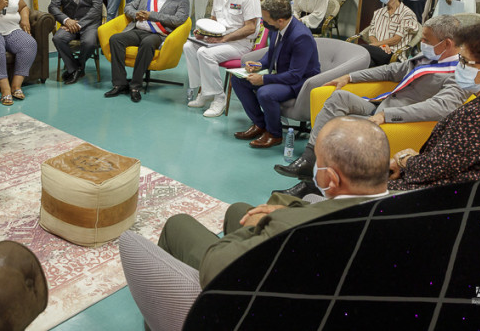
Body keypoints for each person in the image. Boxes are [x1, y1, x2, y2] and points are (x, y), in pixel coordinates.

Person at [157, 117, 389, 287]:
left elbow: (215, 267)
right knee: (238, 210)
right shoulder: (409, 208)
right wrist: (293, 209)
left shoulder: (288, 225)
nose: (312, 166)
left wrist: (256, 228)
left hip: (260, 294)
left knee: (177, 224)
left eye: (316, 159)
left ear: (331, 178)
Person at [275, 15, 467, 198]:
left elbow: (440, 107)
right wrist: (350, 76)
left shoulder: (459, 74)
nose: (422, 43)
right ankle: (311, 158)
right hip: (380, 105)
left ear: (447, 43)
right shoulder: (427, 57)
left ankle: (314, 188)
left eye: (426, 39)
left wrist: (388, 115)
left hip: (397, 121)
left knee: (342, 137)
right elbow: (392, 71)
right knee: (339, 98)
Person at [388, 21, 480, 191]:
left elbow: (429, 170)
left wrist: (404, 159)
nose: (459, 67)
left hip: (444, 195)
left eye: (466, 62)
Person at [231, 0, 321, 149]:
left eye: (266, 19)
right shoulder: (276, 29)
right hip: (284, 75)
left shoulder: (301, 36)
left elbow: (295, 75)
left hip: (301, 82)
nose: (263, 22)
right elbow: (271, 54)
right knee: (237, 79)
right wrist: (259, 64)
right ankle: (260, 125)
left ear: (280, 20)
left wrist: (264, 79)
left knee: (266, 93)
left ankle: (274, 134)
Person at [184, 0, 261, 118]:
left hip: (240, 44)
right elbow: (213, 20)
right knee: (189, 47)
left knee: (204, 53)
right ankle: (204, 92)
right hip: (220, 40)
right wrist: (203, 33)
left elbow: (251, 27)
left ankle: (219, 98)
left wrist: (224, 39)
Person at [104, 0, 189, 103]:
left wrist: (152, 15)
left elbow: (178, 20)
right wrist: (136, 14)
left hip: (157, 35)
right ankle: (120, 84)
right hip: (137, 30)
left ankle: (135, 86)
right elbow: (128, 7)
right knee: (115, 39)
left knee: (148, 43)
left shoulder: (182, 1)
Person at [49, 0, 103, 85]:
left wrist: (79, 24)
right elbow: (52, 6)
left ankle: (77, 66)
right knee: (58, 39)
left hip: (89, 24)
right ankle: (75, 69)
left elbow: (97, 9)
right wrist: (66, 20)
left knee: (89, 43)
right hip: (69, 24)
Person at [359, 0, 419, 67]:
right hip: (377, 51)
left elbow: (396, 39)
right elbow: (371, 34)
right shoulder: (378, 12)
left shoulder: (407, 14)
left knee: (360, 49)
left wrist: (376, 45)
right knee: (363, 64)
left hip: (394, 54)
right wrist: (381, 46)